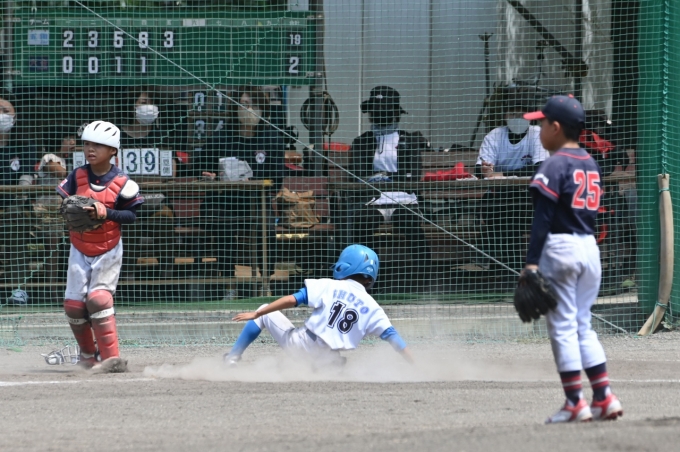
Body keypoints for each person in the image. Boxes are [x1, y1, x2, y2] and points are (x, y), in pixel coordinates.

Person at [523, 95, 623, 423]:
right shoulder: (590, 162)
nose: (538, 129)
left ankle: (574, 403)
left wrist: (531, 264)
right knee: (583, 324)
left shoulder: (554, 164)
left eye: (540, 123)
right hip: (589, 248)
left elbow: (542, 220)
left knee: (563, 327)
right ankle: (604, 398)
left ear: (555, 127)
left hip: (561, 248)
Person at [223, 244, 413, 366]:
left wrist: (258, 314)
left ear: (345, 266)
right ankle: (330, 366)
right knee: (334, 357)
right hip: (326, 358)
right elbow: (394, 339)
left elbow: (291, 300)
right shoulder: (373, 307)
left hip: (302, 346)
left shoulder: (329, 285)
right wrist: (416, 365)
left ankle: (232, 358)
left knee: (264, 310)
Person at [54, 121, 144, 372]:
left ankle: (112, 359)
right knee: (73, 305)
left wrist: (107, 213)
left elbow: (132, 216)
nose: (90, 149)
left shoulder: (123, 182)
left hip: (108, 248)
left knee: (99, 300)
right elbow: (64, 202)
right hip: (79, 246)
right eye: (87, 144)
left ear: (113, 150)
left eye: (98, 145)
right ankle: (87, 356)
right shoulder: (77, 176)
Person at [193, 86, 285, 276]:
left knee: (266, 225)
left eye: (253, 105)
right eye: (243, 104)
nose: (248, 109)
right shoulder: (221, 138)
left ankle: (266, 278)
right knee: (222, 223)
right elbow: (199, 167)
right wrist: (209, 176)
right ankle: (228, 279)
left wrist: (254, 181)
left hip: (255, 202)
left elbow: (276, 179)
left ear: (263, 109)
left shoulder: (271, 138)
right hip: (222, 201)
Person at [348, 86, 431, 290]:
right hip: (373, 198)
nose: (380, 116)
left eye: (385, 111)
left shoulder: (408, 140)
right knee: (362, 224)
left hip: (403, 197)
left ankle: (423, 279)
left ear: (395, 113)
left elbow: (413, 175)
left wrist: (385, 177)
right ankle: (368, 277)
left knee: (410, 224)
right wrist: (378, 180)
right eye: (376, 112)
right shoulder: (362, 141)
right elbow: (357, 174)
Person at [476, 94, 549, 275]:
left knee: (516, 212)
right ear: (505, 115)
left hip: (530, 196)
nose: (516, 118)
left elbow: (539, 168)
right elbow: (480, 169)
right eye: (512, 113)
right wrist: (485, 169)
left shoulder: (537, 134)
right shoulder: (495, 135)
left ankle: (516, 265)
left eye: (521, 114)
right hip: (500, 195)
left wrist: (503, 175)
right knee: (495, 209)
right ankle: (505, 265)